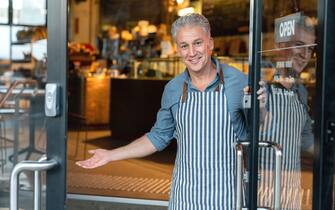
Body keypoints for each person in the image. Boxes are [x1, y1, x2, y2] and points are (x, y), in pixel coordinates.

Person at [76, 13, 248, 209]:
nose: (192, 52)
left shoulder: (239, 81)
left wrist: (262, 109)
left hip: (227, 196)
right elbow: (158, 137)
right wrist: (110, 155)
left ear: (210, 43)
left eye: (198, 43)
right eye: (184, 46)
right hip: (186, 197)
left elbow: (258, 131)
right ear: (178, 50)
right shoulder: (173, 88)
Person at [255, 14, 315, 210]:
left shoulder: (301, 91)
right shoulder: (261, 84)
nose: (305, 54)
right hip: (261, 193)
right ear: (280, 45)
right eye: (299, 44)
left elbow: (305, 140)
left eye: (310, 48)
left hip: (291, 193)